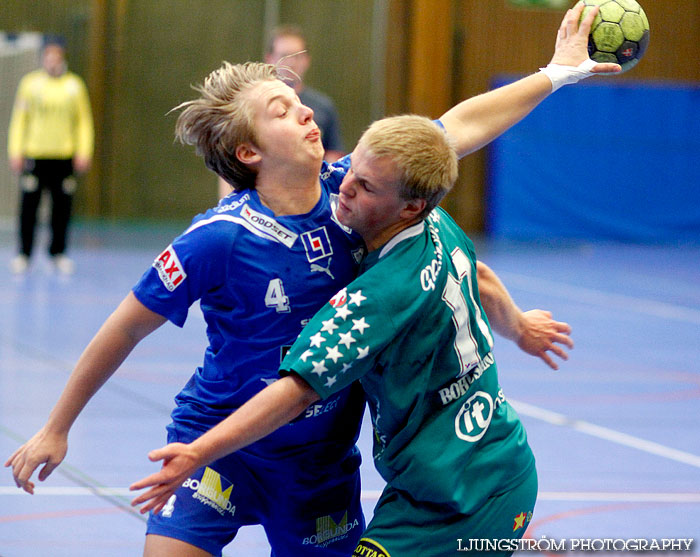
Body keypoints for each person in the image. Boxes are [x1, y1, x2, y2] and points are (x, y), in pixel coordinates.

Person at [8, 5, 603, 555]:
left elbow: (452, 138)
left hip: (319, 469)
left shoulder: (358, 200)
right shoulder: (217, 238)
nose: (307, 111)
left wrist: (556, 74)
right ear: (248, 152)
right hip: (216, 447)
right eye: (282, 111)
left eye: (299, 101)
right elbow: (124, 329)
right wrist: (56, 428)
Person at [218, 24, 345, 198]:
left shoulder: (323, 106)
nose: (292, 62)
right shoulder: (249, 107)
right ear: (270, 58)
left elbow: (333, 158)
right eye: (282, 112)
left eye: (298, 56)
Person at [7, 35, 94, 275]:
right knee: (29, 207)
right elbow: (20, 120)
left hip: (63, 157)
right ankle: (24, 253)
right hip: (36, 156)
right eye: (49, 54)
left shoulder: (74, 86)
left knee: (62, 208)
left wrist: (83, 151)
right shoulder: (30, 84)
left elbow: (83, 122)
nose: (53, 59)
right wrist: (16, 150)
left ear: (62, 56)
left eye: (57, 54)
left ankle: (58, 253)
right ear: (43, 56)